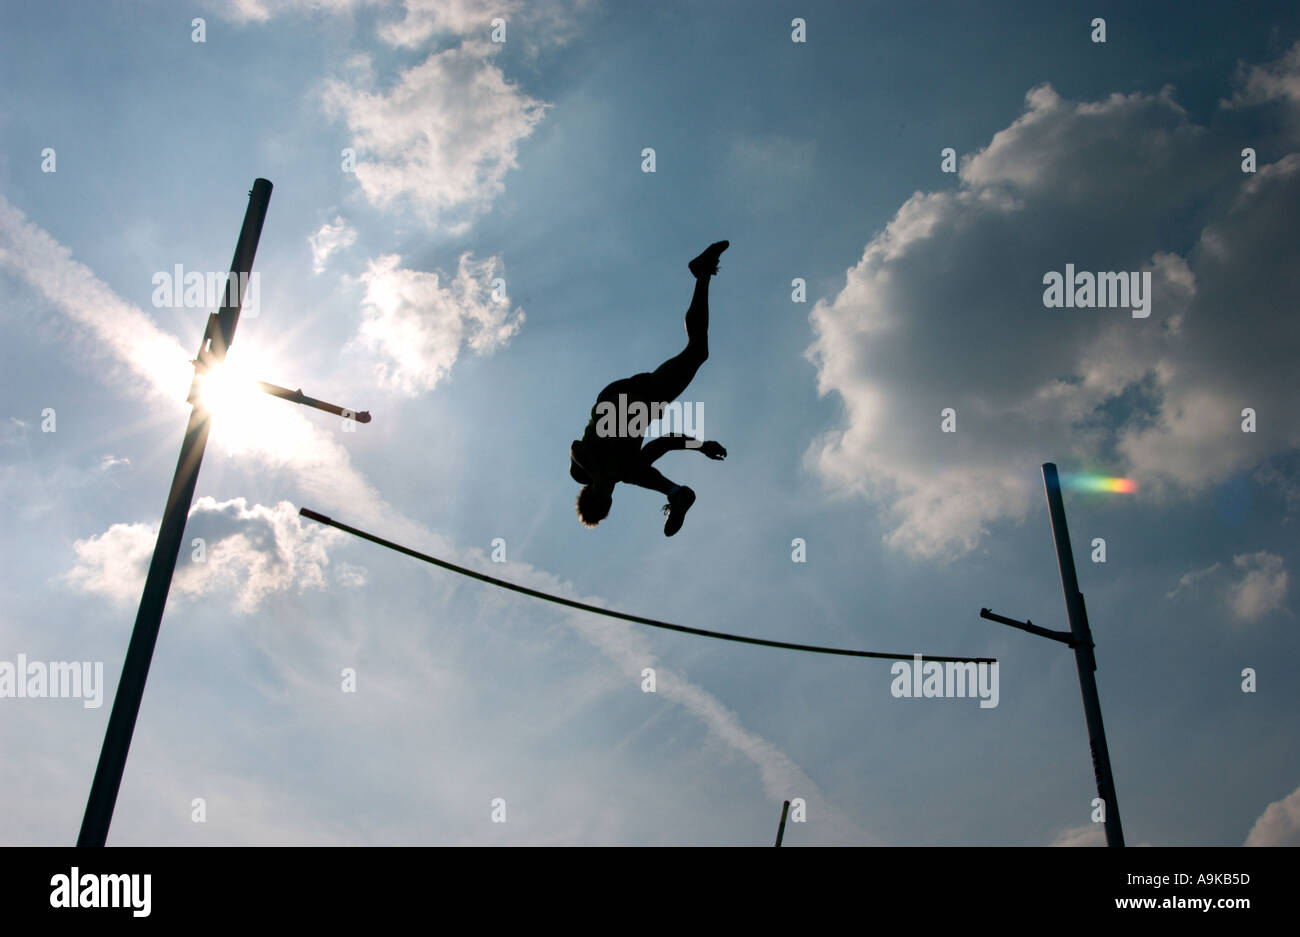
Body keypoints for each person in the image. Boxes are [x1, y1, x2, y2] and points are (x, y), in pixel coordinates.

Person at [570, 241, 730, 536]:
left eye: (601, 496)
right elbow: (665, 442)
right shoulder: (627, 472)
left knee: (696, 353)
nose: (607, 493)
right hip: (645, 402)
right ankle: (676, 494)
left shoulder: (583, 470)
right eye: (609, 498)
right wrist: (701, 446)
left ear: (593, 493)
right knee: (698, 352)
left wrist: (597, 474)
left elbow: (576, 448)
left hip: (619, 401)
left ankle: (702, 273)